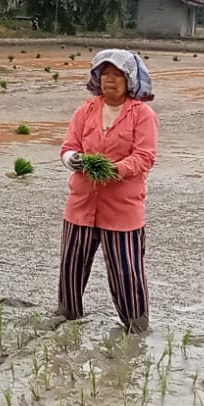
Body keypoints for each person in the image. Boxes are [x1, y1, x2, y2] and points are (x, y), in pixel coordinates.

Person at [58, 49, 158, 333]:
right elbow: (68, 147)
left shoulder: (142, 115)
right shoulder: (85, 111)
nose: (110, 81)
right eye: (105, 74)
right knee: (72, 265)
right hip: (81, 204)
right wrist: (73, 160)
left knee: (127, 271)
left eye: (117, 75)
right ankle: (67, 313)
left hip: (122, 208)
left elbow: (144, 156)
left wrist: (115, 169)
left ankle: (136, 325)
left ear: (131, 80)